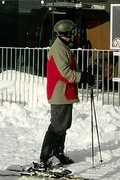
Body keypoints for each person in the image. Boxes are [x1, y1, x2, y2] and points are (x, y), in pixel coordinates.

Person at [38, 19, 95, 168]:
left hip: (66, 92)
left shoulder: (64, 47)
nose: (74, 36)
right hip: (59, 92)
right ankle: (45, 157)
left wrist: (83, 75)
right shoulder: (58, 49)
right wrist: (82, 77)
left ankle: (58, 152)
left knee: (63, 125)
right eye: (73, 33)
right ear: (67, 33)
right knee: (57, 126)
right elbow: (64, 73)